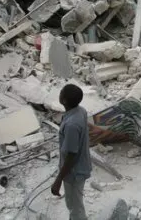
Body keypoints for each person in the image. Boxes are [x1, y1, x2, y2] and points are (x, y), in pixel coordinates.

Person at [51, 84, 92, 220]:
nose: (60, 93)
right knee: (76, 203)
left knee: (74, 207)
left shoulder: (71, 125)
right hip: (81, 166)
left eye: (61, 92)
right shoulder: (80, 111)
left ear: (64, 101)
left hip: (74, 173)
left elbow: (71, 155)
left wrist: (58, 179)